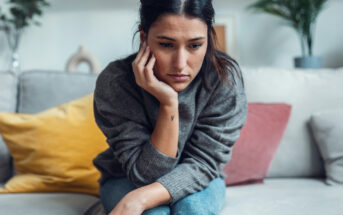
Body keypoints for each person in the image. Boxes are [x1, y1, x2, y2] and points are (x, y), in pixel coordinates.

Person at [92, 0, 248, 214]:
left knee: (192, 209)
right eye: (166, 44)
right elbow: (146, 175)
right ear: (144, 37)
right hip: (126, 178)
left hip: (199, 176)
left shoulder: (224, 80)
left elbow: (203, 164)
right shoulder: (116, 82)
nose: (180, 63)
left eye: (195, 45)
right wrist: (168, 103)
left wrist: (138, 199)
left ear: (208, 38)